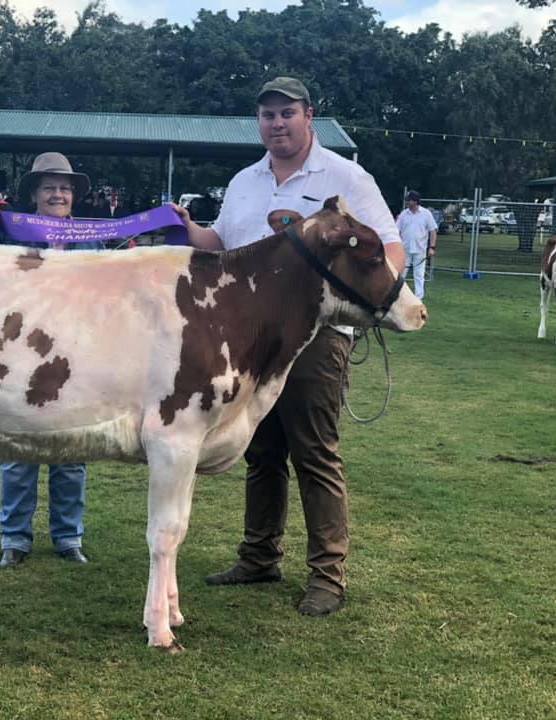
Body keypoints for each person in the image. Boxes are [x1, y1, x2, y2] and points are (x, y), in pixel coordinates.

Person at [171, 76, 405, 616]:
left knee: (314, 450)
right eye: (268, 115)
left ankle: (328, 575)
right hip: (252, 340)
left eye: (287, 113)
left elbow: (388, 246)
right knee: (261, 449)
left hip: (319, 336)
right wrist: (187, 229)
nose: (277, 124)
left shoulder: (346, 177)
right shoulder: (244, 182)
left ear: (309, 116)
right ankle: (259, 556)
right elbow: (223, 246)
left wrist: (372, 300)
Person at [0, 152, 102, 569]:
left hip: (76, 358)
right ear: (35, 195)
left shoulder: (94, 239)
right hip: (20, 355)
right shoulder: (8, 232)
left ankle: (68, 537)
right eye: (49, 187)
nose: (58, 194)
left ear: (73, 196)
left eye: (65, 188)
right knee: (18, 450)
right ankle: (14, 539)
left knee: (72, 451)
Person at [396, 190, 437, 299]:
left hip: (420, 249)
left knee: (419, 275)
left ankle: (419, 298)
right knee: (401, 274)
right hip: (405, 249)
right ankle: (398, 296)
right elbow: (396, 230)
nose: (407, 203)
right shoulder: (403, 214)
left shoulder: (426, 214)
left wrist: (432, 247)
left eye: (409, 201)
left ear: (415, 201)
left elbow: (433, 231)